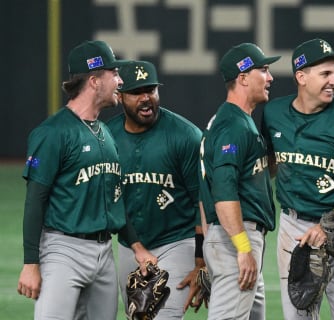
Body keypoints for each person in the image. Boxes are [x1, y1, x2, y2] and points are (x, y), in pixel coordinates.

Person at [261, 38, 334, 320]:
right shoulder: (273, 113)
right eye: (325, 73)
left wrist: (329, 224)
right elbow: (270, 163)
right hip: (293, 228)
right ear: (301, 76)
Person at [17, 40, 127, 319]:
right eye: (113, 74)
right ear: (94, 80)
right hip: (63, 250)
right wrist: (31, 262)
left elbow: (115, 201)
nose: (120, 81)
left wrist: (138, 247)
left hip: (104, 253)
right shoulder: (53, 132)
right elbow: (35, 200)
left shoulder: (104, 132)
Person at [106, 60, 205, 318]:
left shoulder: (185, 136)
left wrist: (200, 261)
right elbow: (109, 200)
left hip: (177, 242)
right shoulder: (107, 137)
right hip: (130, 245)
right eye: (137, 92)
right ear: (119, 96)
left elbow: (201, 201)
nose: (146, 98)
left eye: (151, 90)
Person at [198, 43, 280, 320]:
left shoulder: (240, 121)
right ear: (243, 77)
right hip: (236, 238)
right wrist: (242, 248)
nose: (270, 78)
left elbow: (241, 179)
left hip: (235, 236)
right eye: (264, 70)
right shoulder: (231, 125)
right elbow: (222, 191)